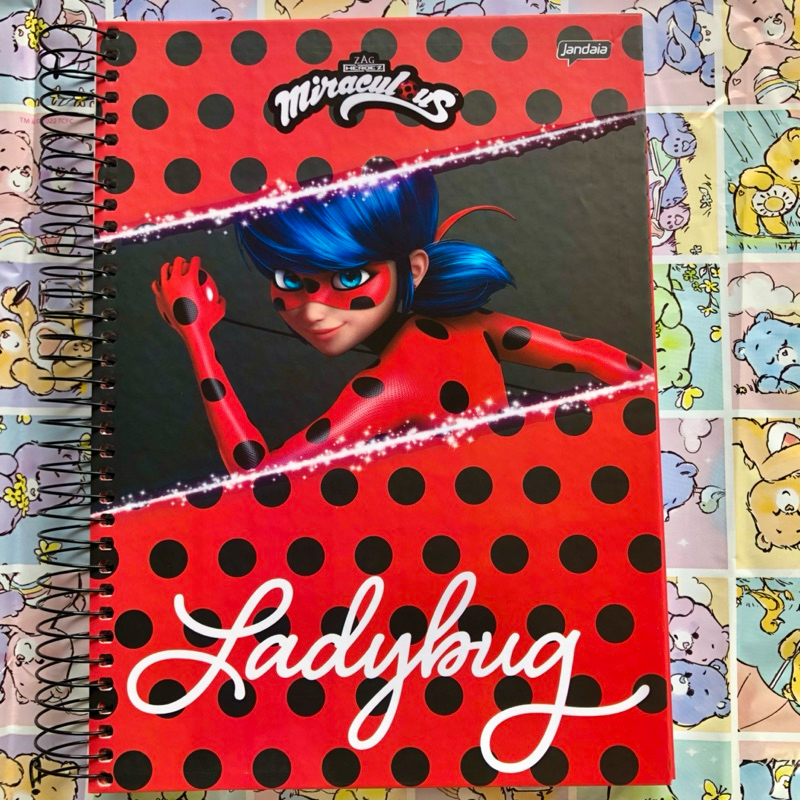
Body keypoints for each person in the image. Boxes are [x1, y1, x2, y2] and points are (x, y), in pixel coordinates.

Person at [152, 170, 649, 476]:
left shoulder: (397, 380)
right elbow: (591, 354)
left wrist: (196, 336)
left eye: (349, 277)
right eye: (289, 279)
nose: (313, 310)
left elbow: (259, 478)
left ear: (413, 269)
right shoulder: (469, 325)